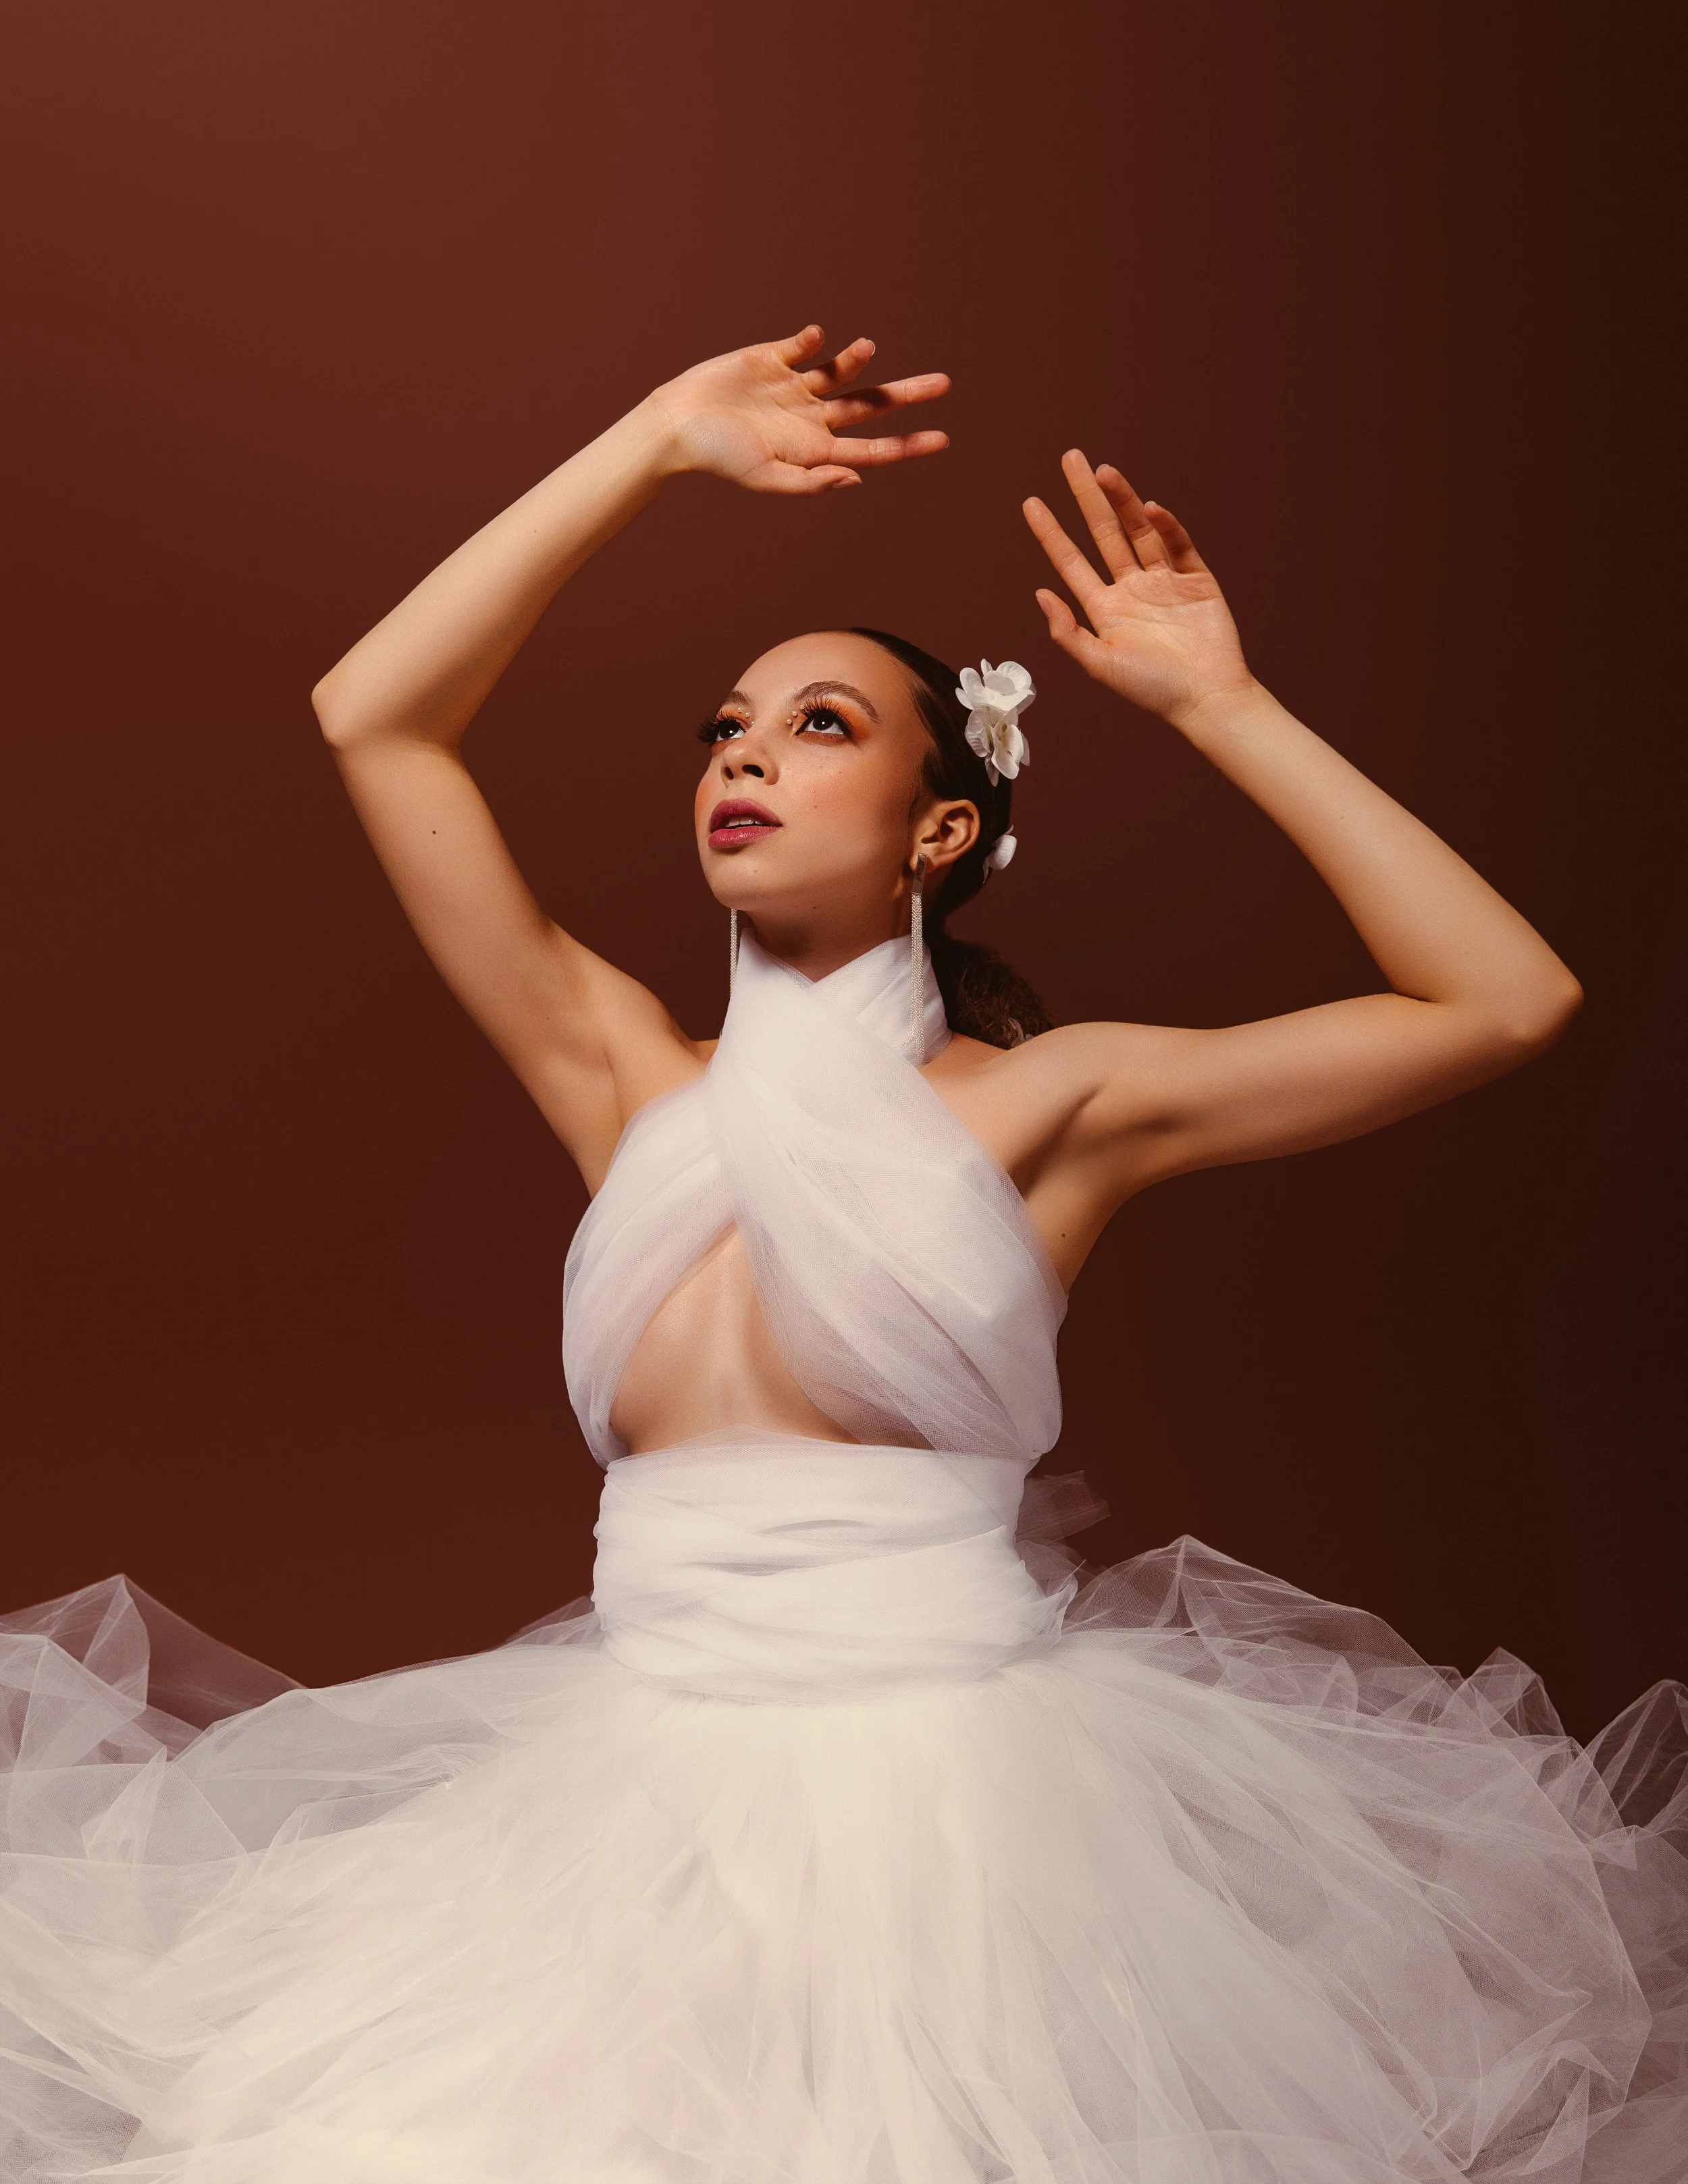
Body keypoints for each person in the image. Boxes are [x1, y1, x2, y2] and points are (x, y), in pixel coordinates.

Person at [1, 324, 1683, 2182]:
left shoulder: (1055, 1108)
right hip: (612, 1812)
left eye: (820, 726)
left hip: (960, 1827)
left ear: (938, 828)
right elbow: (372, 717)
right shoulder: (621, 1073)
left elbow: (1505, 998)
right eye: (723, 727)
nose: (745, 757)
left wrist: (1221, 707)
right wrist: (647, 440)